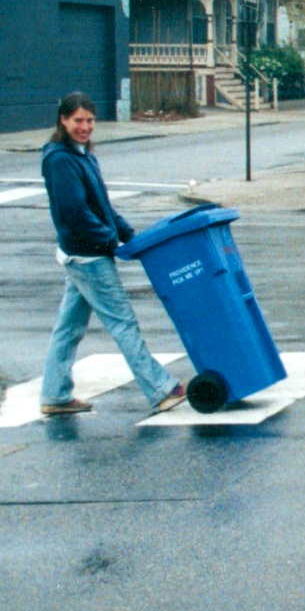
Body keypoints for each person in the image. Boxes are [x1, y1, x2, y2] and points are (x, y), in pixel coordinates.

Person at [39, 92, 186, 415]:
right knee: (123, 324)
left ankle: (54, 394)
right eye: (78, 120)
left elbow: (101, 205)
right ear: (63, 120)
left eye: (90, 120)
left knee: (68, 329)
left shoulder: (83, 156)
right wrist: (110, 242)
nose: (85, 127)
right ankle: (161, 389)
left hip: (82, 255)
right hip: (88, 257)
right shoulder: (60, 160)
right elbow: (74, 213)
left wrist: (129, 234)